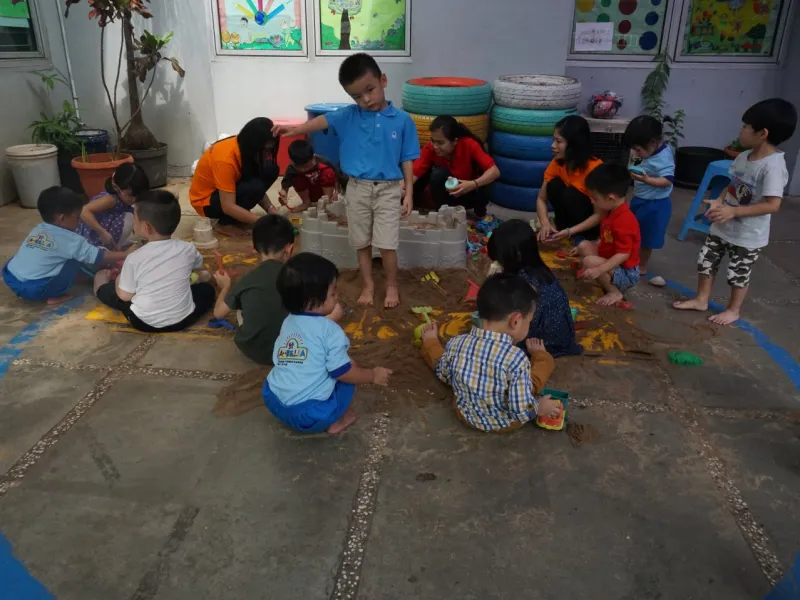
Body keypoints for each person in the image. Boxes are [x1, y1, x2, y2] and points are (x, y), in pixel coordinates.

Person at [272, 53, 420, 309]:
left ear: (383, 80)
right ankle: (368, 285)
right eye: (357, 96)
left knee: (387, 244)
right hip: (357, 188)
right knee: (361, 241)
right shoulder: (348, 115)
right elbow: (319, 121)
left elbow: (408, 159)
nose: (365, 100)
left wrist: (409, 193)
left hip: (388, 190)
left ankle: (391, 285)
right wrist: (293, 130)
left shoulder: (403, 120)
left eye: (370, 90)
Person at [674, 98, 798, 325]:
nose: (740, 131)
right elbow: (732, 184)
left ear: (762, 133)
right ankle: (701, 299)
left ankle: (733, 310)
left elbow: (773, 205)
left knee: (737, 273)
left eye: (745, 127)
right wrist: (719, 201)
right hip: (722, 225)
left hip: (748, 236)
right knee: (706, 261)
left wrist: (734, 212)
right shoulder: (744, 156)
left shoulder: (772, 167)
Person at [263, 252, 393, 435]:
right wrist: (372, 375)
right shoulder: (330, 331)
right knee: (349, 376)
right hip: (310, 416)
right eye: (333, 293)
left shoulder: (288, 322)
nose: (337, 296)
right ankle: (336, 421)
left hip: (274, 401)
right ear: (313, 301)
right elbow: (343, 373)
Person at [419, 273, 563, 433]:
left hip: (465, 414)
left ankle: (429, 343)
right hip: (503, 423)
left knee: (443, 359)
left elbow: (443, 371)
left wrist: (431, 342)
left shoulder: (456, 343)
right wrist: (539, 407)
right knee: (534, 379)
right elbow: (520, 409)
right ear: (515, 321)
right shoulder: (516, 359)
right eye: (528, 321)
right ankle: (541, 356)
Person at [94, 190, 216, 332]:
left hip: (144, 323)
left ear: (146, 227)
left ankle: (99, 284)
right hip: (184, 319)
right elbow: (198, 268)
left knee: (115, 294)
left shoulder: (134, 258)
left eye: (134, 218)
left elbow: (125, 296)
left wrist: (118, 280)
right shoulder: (188, 248)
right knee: (207, 290)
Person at [2, 187, 133, 305]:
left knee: (35, 253)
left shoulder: (38, 229)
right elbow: (98, 256)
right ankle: (54, 296)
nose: (79, 221)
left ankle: (27, 293)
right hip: (37, 288)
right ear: (62, 218)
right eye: (77, 218)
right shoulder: (70, 240)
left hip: (11, 279)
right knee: (74, 259)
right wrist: (126, 254)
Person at [487, 219, 582, 357]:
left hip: (544, 344)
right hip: (562, 337)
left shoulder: (524, 282)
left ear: (515, 256)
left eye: (501, 259)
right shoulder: (538, 270)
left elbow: (518, 320)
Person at [213, 214, 295, 364]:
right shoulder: (299, 277)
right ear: (289, 249)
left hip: (254, 350)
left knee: (243, 303)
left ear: (255, 248)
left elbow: (218, 313)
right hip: (294, 352)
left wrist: (225, 287)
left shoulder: (248, 280)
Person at [189, 117, 280, 236]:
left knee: (270, 169)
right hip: (206, 201)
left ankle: (239, 215)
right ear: (254, 145)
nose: (267, 154)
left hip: (223, 192)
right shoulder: (225, 160)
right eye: (266, 150)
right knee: (254, 187)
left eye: (270, 150)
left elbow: (256, 185)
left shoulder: (244, 147)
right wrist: (262, 222)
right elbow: (228, 206)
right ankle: (224, 224)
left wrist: (271, 209)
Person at [573, 163, 641, 306]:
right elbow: (607, 238)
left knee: (589, 262)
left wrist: (599, 269)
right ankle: (599, 275)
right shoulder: (610, 210)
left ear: (610, 198)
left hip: (626, 272)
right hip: (612, 259)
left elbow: (624, 254)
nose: (592, 201)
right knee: (584, 245)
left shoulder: (625, 220)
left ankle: (614, 292)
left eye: (594, 198)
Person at [412, 115, 500, 217]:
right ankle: (443, 211)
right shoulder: (431, 148)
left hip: (470, 192)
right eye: (433, 141)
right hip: (449, 194)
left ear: (454, 141)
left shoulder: (469, 144)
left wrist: (472, 184)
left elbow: (495, 171)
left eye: (440, 143)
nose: (435, 146)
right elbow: (413, 173)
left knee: (487, 181)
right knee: (435, 175)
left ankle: (479, 209)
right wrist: (402, 191)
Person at [624, 115, 675, 287]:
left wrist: (647, 180)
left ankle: (642, 266)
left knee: (648, 238)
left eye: (638, 149)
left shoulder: (664, 158)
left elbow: (667, 181)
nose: (635, 153)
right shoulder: (646, 152)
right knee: (632, 231)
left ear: (653, 142)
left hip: (656, 204)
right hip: (640, 199)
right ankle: (630, 258)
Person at [536, 115, 603, 244]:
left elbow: (599, 215)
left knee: (571, 194)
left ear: (574, 145)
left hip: (589, 227)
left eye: (558, 141)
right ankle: (559, 229)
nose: (553, 145)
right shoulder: (557, 162)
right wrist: (545, 223)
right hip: (567, 223)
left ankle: (582, 237)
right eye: (553, 140)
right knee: (554, 185)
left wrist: (570, 231)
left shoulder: (595, 169)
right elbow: (541, 198)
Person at [76, 162, 149, 249]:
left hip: (108, 223)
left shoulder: (123, 196)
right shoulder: (111, 199)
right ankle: (111, 247)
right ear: (117, 188)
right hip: (94, 233)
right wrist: (102, 232)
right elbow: (84, 211)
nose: (134, 199)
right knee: (130, 217)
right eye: (130, 195)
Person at [278, 139, 339, 213]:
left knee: (328, 172)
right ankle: (306, 203)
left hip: (323, 190)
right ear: (292, 161)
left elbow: (337, 177)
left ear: (313, 157)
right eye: (299, 167)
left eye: (306, 166)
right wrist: (284, 195)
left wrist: (337, 192)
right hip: (309, 193)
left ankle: (327, 202)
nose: (303, 170)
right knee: (296, 177)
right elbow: (285, 185)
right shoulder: (291, 168)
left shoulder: (323, 162)